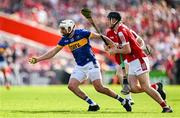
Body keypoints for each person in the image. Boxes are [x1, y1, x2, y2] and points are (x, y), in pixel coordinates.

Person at [29, 19, 132, 112]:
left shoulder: (82, 33)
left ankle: (123, 101)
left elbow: (101, 36)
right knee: (72, 86)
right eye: (62, 29)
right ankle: (93, 104)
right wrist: (38, 59)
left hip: (91, 62)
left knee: (99, 88)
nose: (62, 31)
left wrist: (112, 44)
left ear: (70, 28)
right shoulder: (64, 39)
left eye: (64, 29)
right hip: (80, 66)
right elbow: (53, 52)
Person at [105, 12, 172, 113]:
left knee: (145, 86)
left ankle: (165, 107)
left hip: (138, 59)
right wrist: (115, 47)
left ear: (114, 20)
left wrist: (115, 50)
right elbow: (126, 47)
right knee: (133, 88)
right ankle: (156, 86)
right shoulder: (120, 30)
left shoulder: (121, 31)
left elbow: (127, 50)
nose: (107, 21)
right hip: (132, 61)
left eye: (109, 19)